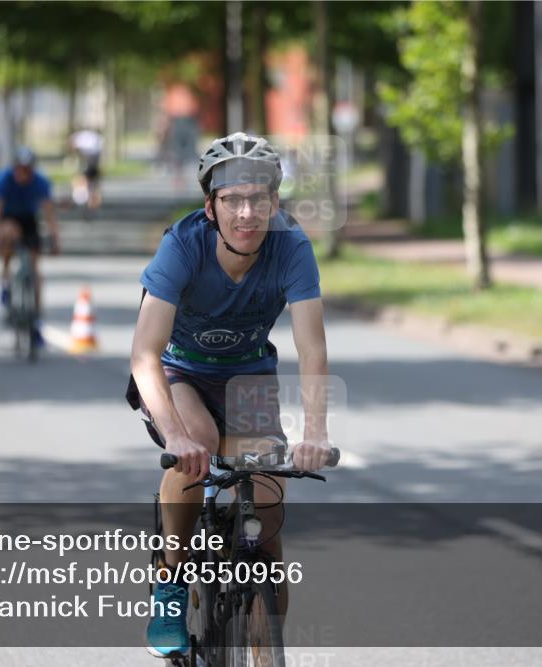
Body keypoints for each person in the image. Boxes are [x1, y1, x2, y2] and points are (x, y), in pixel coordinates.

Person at [127, 132, 332, 658]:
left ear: (275, 202)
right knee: (197, 442)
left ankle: (265, 648)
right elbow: (145, 355)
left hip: (248, 379)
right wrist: (171, 431)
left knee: (266, 512)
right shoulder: (183, 244)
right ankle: (171, 582)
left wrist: (314, 434)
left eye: (259, 199)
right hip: (182, 375)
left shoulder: (292, 246)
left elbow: (311, 351)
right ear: (210, 207)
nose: (247, 212)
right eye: (233, 200)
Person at [0, 147, 60, 348]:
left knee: (35, 269)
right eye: (20, 169)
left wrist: (55, 239)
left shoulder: (41, 182)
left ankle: (35, 318)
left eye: (27, 170)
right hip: (8, 219)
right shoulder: (3, 180)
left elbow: (49, 214)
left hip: (28, 220)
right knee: (9, 235)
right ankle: (4, 281)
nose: (23, 174)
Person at [69, 127, 103, 209]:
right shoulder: (94, 137)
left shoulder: (78, 138)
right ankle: (93, 201)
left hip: (89, 162)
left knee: (84, 179)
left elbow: (74, 148)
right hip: (93, 162)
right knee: (93, 183)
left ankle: (86, 199)